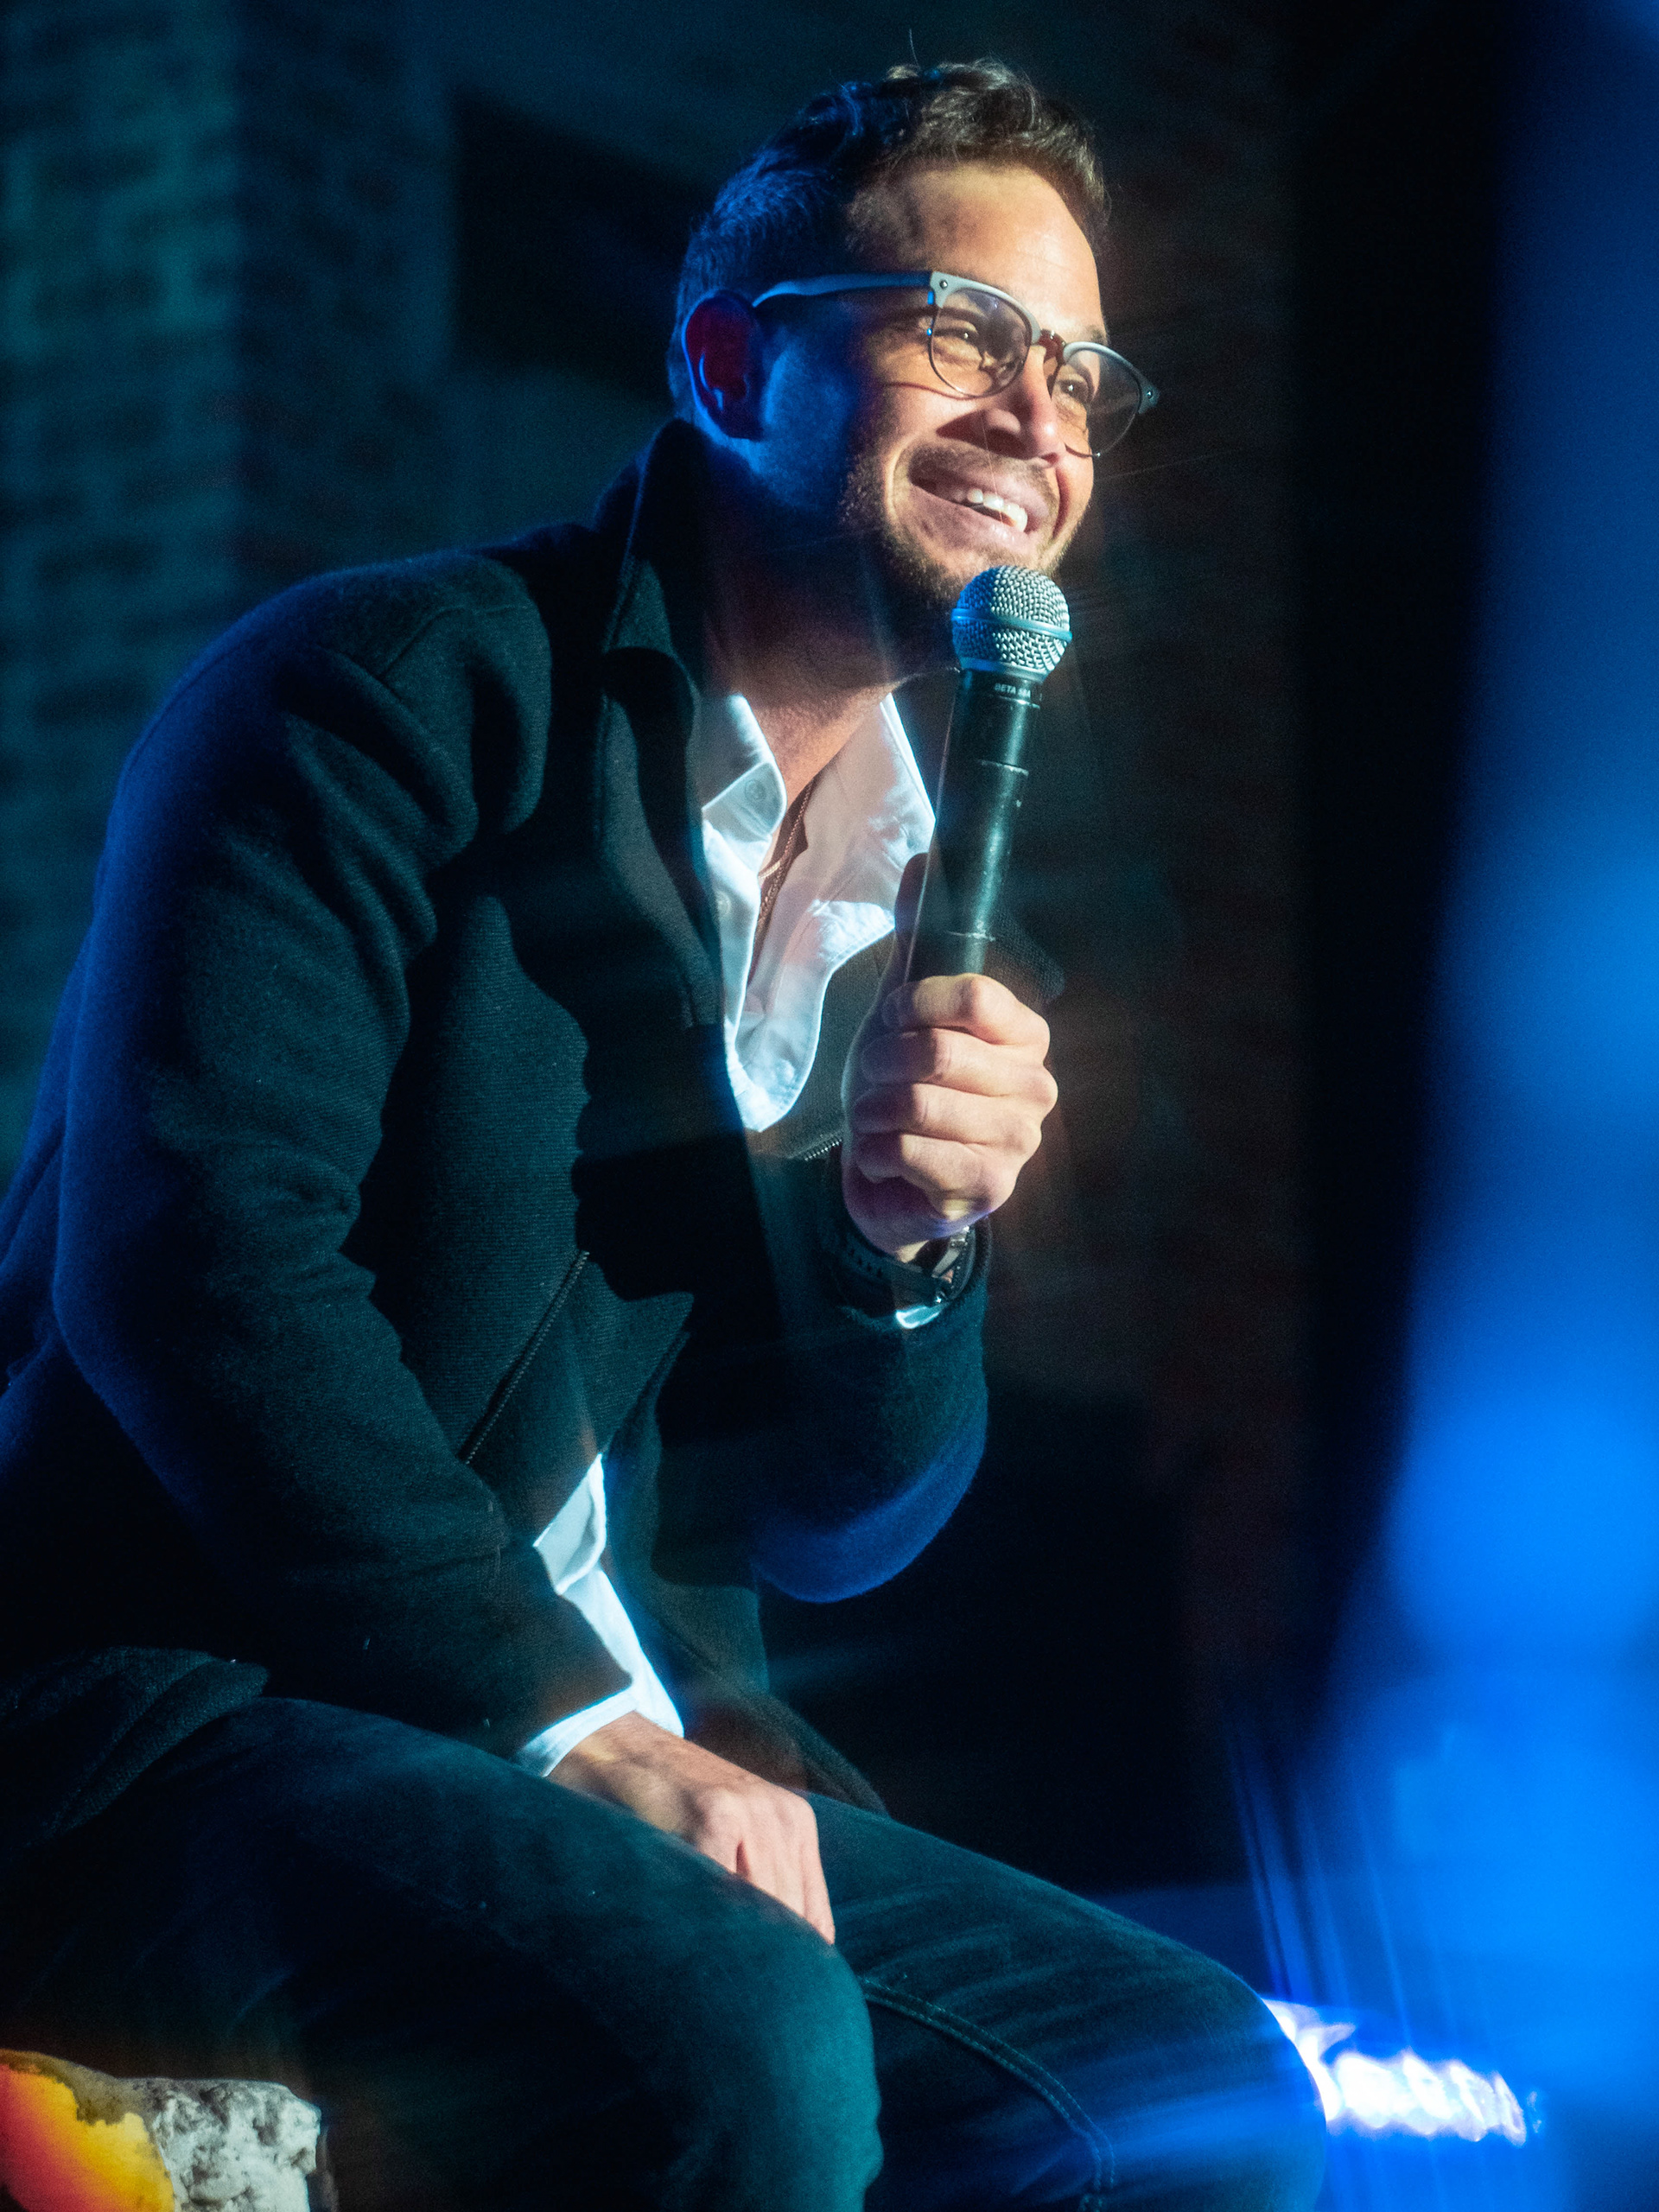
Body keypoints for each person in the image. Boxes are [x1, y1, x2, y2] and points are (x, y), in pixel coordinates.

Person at [0, 60, 1325, 2212]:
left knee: (1205, 2084)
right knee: (741, 2029)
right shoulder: (385, 692)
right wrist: (561, 1713)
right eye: (963, 331)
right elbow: (191, 1264)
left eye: (1081, 372)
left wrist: (908, 1250)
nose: (1040, 415)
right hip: (182, 1708)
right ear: (724, 366)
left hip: (593, 1735)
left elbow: (834, 1526)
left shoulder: (937, 903)